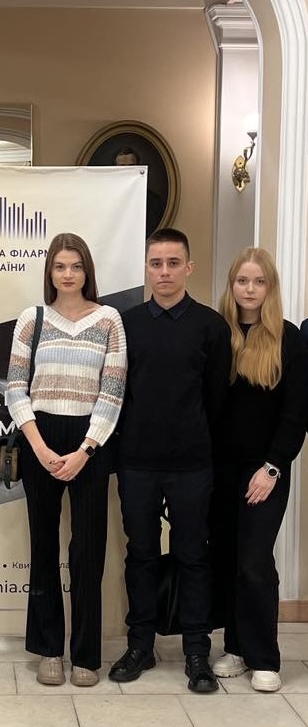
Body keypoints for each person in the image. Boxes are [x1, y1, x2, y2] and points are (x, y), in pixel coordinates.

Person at [109, 228, 231, 693]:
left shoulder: (211, 326)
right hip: (137, 462)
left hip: (193, 465)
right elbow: (117, 395)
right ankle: (140, 644)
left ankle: (197, 651)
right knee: (140, 554)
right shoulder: (126, 325)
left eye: (173, 263)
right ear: (146, 268)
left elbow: (217, 400)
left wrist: (202, 450)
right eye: (156, 263)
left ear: (188, 268)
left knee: (192, 556)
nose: (164, 272)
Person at [6, 233, 127, 687]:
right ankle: (49, 649)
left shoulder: (109, 320)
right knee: (43, 547)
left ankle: (86, 655)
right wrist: (38, 447)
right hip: (39, 437)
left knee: (88, 551)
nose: (68, 274)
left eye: (76, 266)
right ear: (50, 272)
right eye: (60, 266)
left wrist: (86, 450)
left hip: (91, 441)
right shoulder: (31, 319)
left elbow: (112, 391)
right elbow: (15, 387)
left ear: (87, 271)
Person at [210, 247, 308, 692]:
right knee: (228, 557)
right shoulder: (218, 335)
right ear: (231, 286)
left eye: (258, 281)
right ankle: (235, 648)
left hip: (265, 470)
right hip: (219, 469)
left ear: (270, 287)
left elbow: (296, 413)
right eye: (242, 281)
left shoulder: (288, 339)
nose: (249, 289)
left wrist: (272, 468)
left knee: (254, 561)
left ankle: (265, 657)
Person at [113, 146, 164, 237]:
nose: (128, 171)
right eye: (122, 167)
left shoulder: (153, 201)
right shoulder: (107, 199)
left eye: (131, 167)